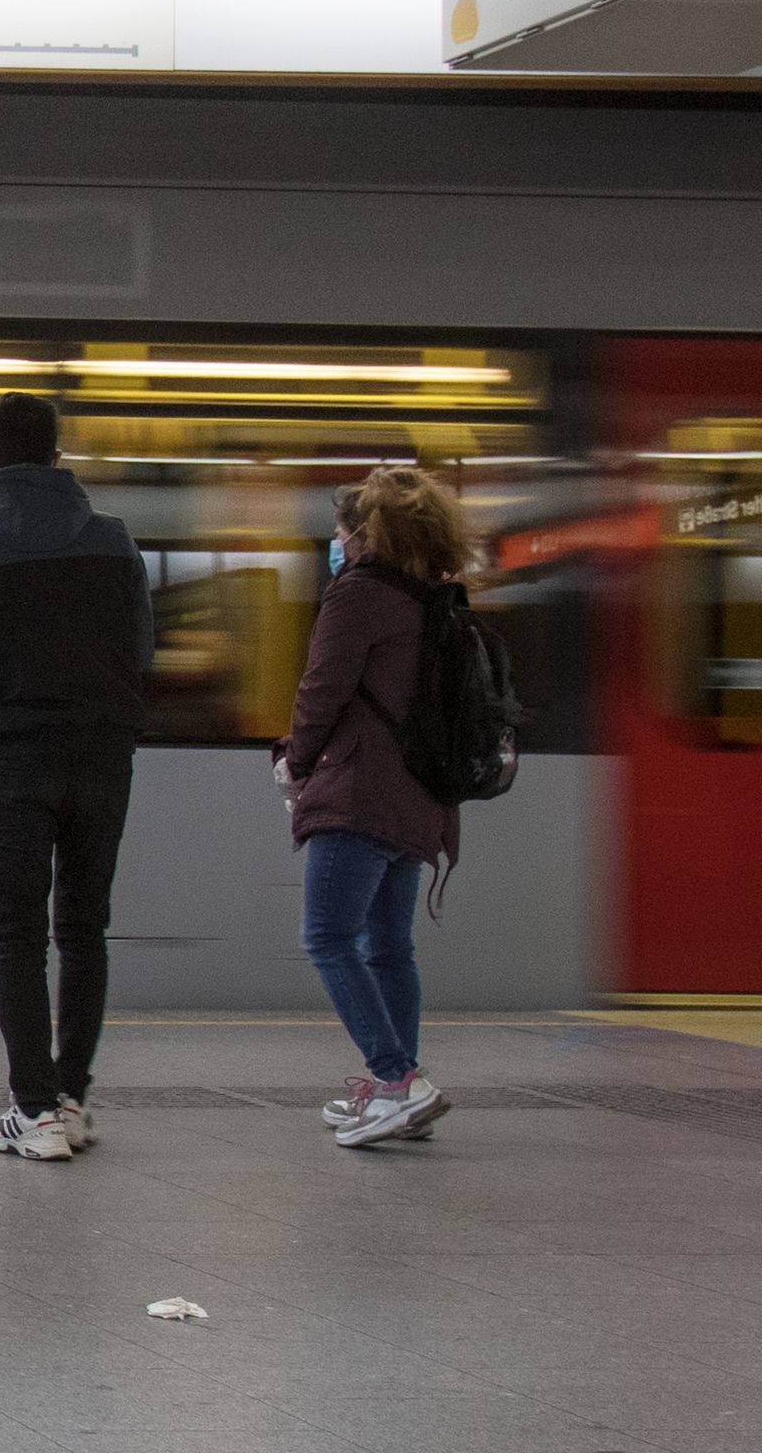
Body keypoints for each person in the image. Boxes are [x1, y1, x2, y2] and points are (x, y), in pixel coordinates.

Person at [0, 393, 151, 1163]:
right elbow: (138, 652)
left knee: (18, 936)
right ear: (56, 458)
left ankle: (34, 1111)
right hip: (104, 756)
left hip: (15, 758)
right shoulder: (114, 545)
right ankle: (72, 1101)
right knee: (85, 929)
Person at [282, 467, 472, 1148]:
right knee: (389, 947)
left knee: (328, 937)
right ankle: (403, 1095)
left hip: (361, 793)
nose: (335, 544)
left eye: (339, 532)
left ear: (364, 534)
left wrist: (294, 760)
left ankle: (397, 1081)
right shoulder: (436, 598)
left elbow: (322, 689)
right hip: (421, 799)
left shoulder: (358, 593)